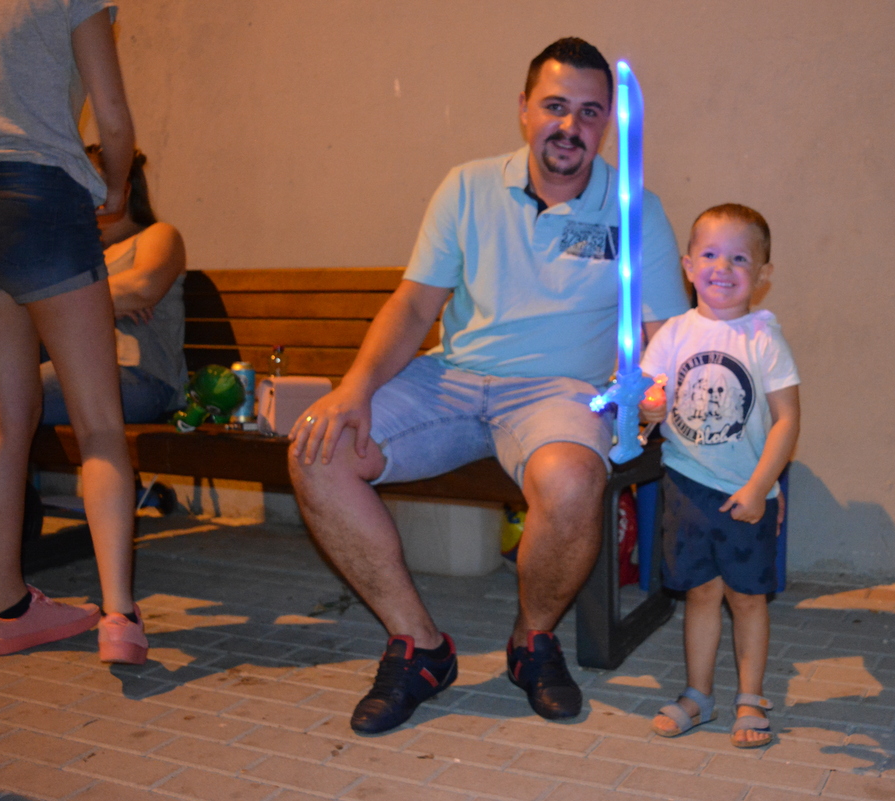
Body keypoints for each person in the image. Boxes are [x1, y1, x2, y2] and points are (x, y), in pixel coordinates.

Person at [288, 37, 689, 734]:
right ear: (524, 108)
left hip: (559, 392)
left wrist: (658, 391)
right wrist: (353, 388)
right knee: (316, 451)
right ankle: (420, 645)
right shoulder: (468, 186)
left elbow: (666, 335)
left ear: (607, 121)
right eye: (555, 106)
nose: (570, 125)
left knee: (572, 483)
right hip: (453, 378)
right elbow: (414, 305)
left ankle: (532, 642)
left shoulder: (636, 208)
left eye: (589, 112)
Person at [0, 1, 147, 664]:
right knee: (100, 425)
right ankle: (119, 616)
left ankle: (7, 607)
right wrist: (115, 187)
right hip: (42, 195)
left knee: (5, 423)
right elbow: (111, 116)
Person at [639, 204, 800, 748]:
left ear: (762, 274)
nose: (722, 267)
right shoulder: (673, 333)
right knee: (701, 594)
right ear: (688, 266)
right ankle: (698, 695)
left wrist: (759, 487)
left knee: (748, 597)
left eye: (739, 258)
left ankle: (750, 697)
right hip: (686, 485)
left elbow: (787, 420)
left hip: (746, 493)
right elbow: (646, 398)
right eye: (709, 254)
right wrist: (648, 408)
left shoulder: (763, 339)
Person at [40, 146, 187, 426]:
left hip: (136, 374)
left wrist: (68, 306)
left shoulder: (157, 235)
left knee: (10, 398)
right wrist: (103, 305)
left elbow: (142, 287)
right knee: (8, 391)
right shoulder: (77, 255)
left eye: (87, 182)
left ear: (124, 191)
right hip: (73, 369)